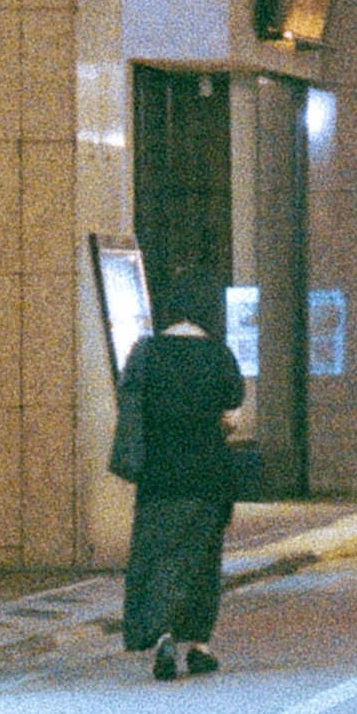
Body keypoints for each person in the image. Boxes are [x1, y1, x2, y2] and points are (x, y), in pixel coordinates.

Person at [110, 281, 254, 674]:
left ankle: (162, 636)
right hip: (208, 475)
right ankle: (199, 644)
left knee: (157, 557)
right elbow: (232, 412)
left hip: (159, 476)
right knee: (202, 561)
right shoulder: (218, 355)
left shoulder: (146, 353)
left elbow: (129, 405)